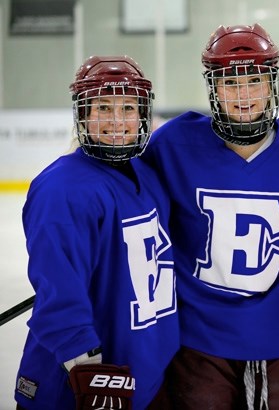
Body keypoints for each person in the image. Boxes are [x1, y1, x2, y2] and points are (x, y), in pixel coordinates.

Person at [139, 24, 279, 409]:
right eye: (229, 81)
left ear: (272, 84)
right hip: (197, 341)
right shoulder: (171, 144)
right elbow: (125, 198)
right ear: (212, 87)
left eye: (254, 80)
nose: (243, 94)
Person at [14, 55, 179, 410]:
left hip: (144, 378)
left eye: (128, 108)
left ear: (143, 115)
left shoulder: (147, 174)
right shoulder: (62, 189)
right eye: (103, 107)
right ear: (83, 114)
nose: (117, 120)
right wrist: (87, 371)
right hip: (81, 389)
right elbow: (60, 297)